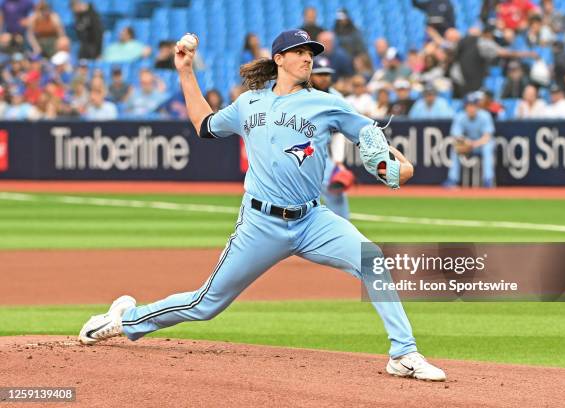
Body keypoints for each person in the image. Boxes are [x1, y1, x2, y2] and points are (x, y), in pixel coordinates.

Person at [78, 28, 446, 382]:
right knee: (205, 304)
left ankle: (404, 353)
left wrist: (390, 163)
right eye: (301, 52)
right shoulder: (249, 102)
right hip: (260, 223)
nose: (308, 58)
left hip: (313, 219)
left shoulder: (326, 103)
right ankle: (126, 319)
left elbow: (367, 135)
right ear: (279, 58)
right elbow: (204, 125)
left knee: (373, 260)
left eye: (311, 53)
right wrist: (186, 72)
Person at [310, 55, 351, 219]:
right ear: (310, 75)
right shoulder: (298, 94)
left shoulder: (336, 99)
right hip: (295, 150)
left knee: (335, 189)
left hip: (319, 151)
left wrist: (338, 161)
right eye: (320, 74)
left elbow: (339, 132)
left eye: (327, 74)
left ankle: (344, 231)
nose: (324, 78)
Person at [443, 92, 496, 188]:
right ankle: (452, 179)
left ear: (477, 106)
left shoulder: (485, 116)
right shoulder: (460, 117)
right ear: (465, 107)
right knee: (455, 148)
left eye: (473, 105)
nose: (471, 108)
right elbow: (456, 136)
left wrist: (474, 144)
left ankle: (488, 179)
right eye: (469, 106)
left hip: (480, 145)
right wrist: (466, 142)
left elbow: (487, 137)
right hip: (467, 145)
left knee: (488, 147)